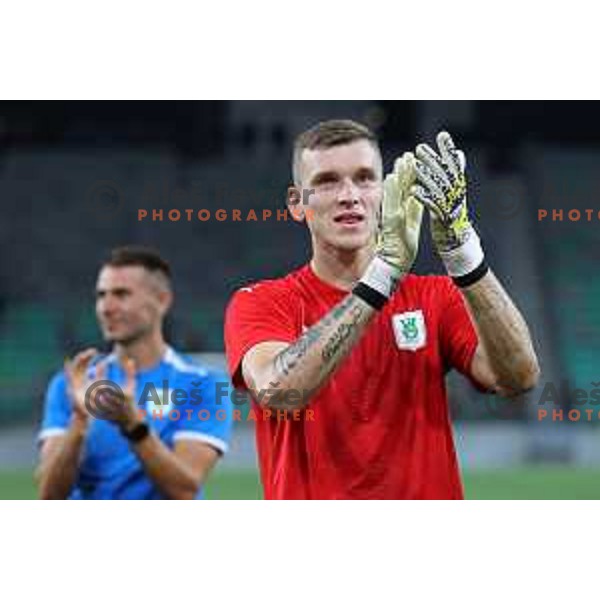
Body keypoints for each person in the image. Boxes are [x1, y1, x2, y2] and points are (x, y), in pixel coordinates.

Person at [224, 119, 540, 500]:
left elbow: (519, 378)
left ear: (385, 191)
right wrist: (382, 277)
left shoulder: (436, 296)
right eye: (327, 181)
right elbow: (279, 391)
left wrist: (464, 256)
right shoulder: (262, 301)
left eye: (365, 178)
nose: (349, 195)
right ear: (297, 202)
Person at [37, 246, 232, 499]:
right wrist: (79, 422)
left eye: (121, 294)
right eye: (101, 295)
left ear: (162, 300)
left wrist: (133, 425)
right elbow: (48, 497)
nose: (106, 307)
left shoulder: (204, 384)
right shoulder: (72, 384)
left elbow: (184, 490)